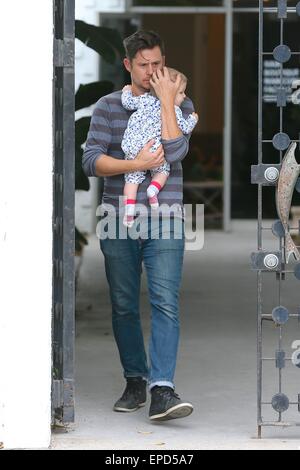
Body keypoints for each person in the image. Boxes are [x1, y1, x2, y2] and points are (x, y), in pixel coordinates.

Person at [82, 30, 197, 421]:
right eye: (144, 64)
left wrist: (167, 103)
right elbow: (91, 161)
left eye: (158, 64)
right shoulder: (107, 107)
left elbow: (177, 150)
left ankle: (161, 388)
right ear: (128, 64)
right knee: (125, 305)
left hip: (166, 218)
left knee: (166, 302)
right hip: (119, 218)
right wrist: (137, 166)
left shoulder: (179, 101)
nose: (152, 71)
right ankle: (135, 379)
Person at [121, 73, 198, 227]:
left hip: (132, 146)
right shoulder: (174, 110)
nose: (184, 96)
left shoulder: (145, 99)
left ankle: (128, 212)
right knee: (163, 171)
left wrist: (126, 91)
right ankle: (153, 190)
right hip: (155, 150)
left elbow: (127, 102)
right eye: (181, 92)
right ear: (168, 93)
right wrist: (193, 119)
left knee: (131, 180)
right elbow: (185, 128)